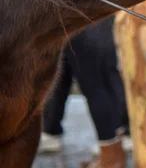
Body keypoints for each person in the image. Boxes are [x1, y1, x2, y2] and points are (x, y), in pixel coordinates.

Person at [40, 16, 130, 168]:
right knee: (63, 69)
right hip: (76, 12)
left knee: (98, 81)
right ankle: (51, 130)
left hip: (82, 11)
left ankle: (112, 155)